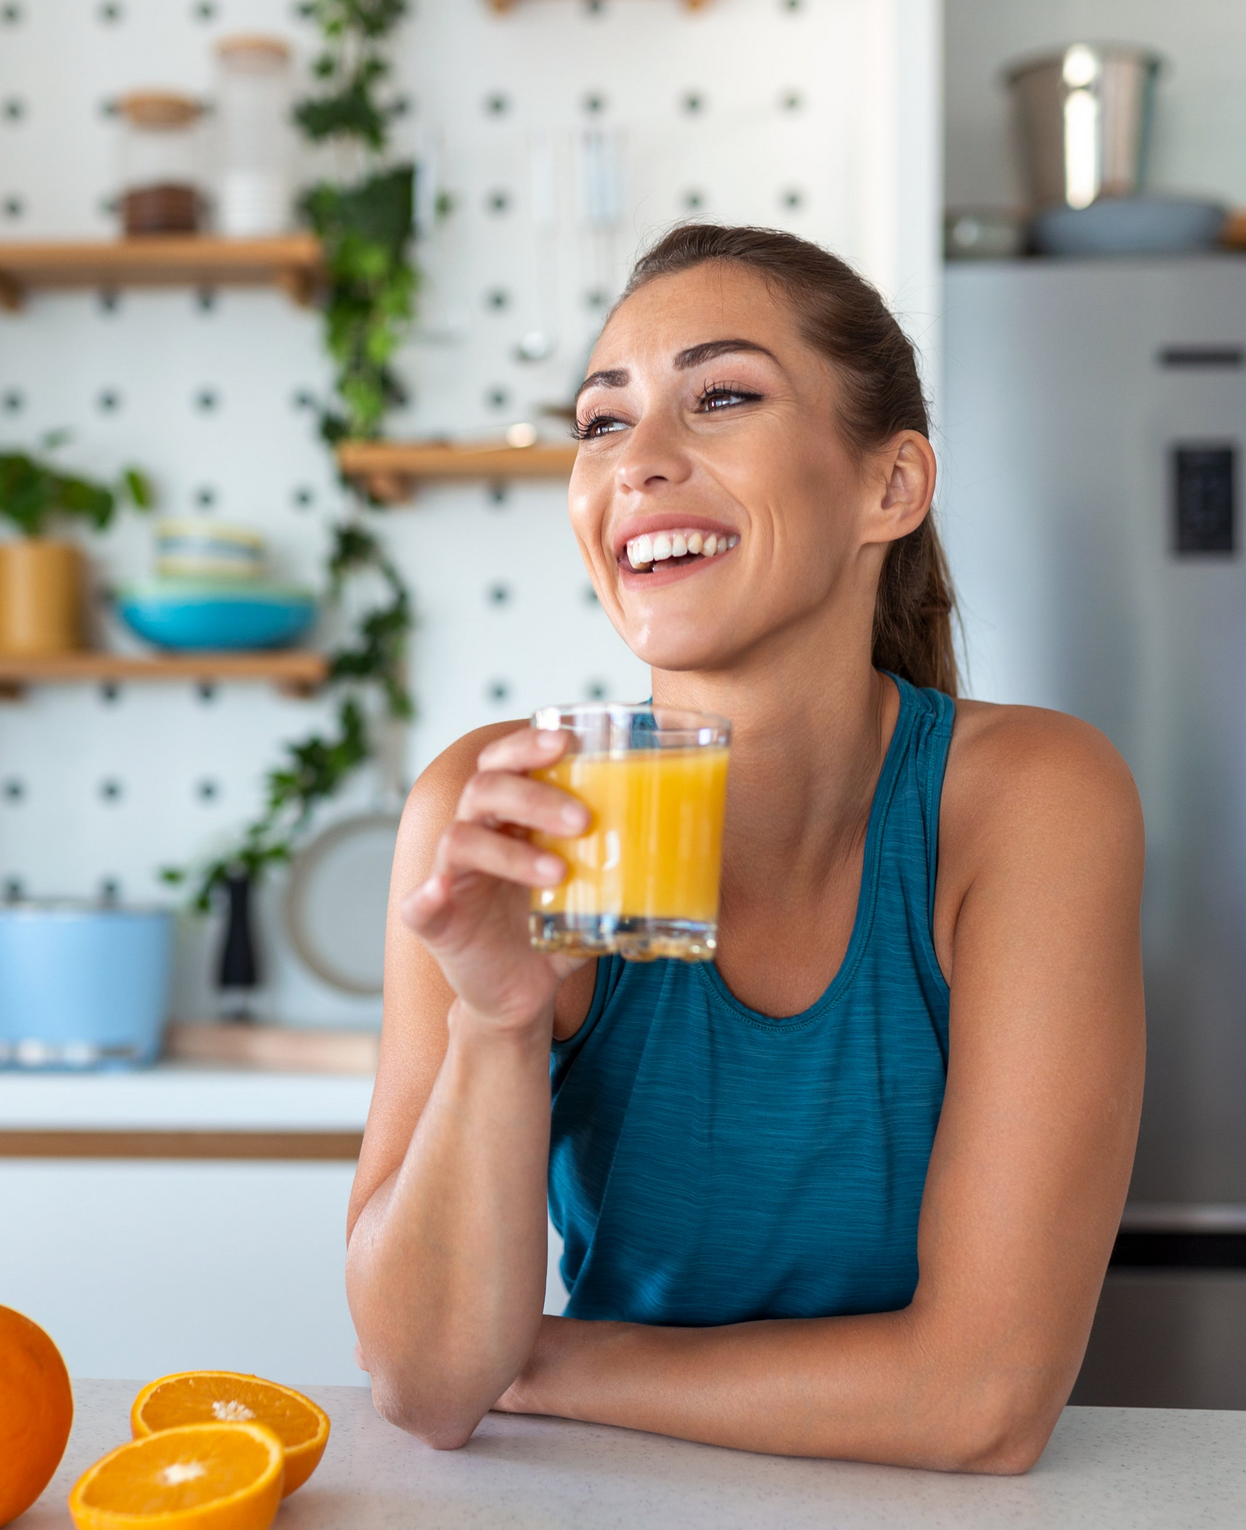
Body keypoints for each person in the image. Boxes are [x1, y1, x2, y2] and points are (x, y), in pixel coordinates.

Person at [345, 224, 1145, 1475]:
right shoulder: (497, 812)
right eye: (602, 422)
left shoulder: (1031, 802)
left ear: (890, 486)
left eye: (720, 398)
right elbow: (429, 1381)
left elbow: (984, 1401)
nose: (639, 462)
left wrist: (539, 1359)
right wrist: (496, 1021)